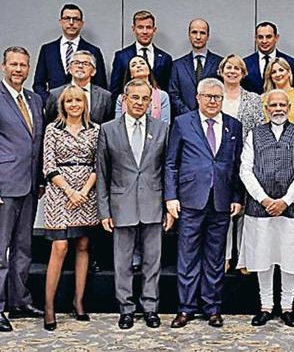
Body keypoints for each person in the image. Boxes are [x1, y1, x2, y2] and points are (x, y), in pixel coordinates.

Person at [166, 78, 243, 329]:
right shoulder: (182, 123)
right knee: (187, 256)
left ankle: (212, 307)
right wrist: (170, 196)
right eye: (208, 96)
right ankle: (186, 308)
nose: (212, 101)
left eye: (217, 97)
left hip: (221, 201)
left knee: (215, 256)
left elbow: (237, 165)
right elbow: (171, 163)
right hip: (190, 200)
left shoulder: (234, 126)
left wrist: (236, 197)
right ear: (197, 98)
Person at [96, 79, 172, 329]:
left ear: (151, 102)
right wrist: (104, 210)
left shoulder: (162, 129)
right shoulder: (108, 129)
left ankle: (150, 307)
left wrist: (168, 205)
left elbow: (168, 170)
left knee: (153, 260)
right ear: (124, 99)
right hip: (121, 204)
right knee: (122, 261)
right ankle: (126, 308)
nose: (139, 102)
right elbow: (102, 172)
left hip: (153, 203)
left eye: (144, 98)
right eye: (135, 97)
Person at [238, 89, 294, 328]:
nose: (278, 109)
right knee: (263, 257)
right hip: (260, 209)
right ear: (266, 108)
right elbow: (245, 170)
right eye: (274, 105)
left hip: (292, 209)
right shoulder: (254, 134)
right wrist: (264, 199)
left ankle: (288, 307)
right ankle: (266, 306)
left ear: (289, 108)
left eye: (283, 105)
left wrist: (286, 200)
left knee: (290, 258)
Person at [42, 85, 100, 331]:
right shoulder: (52, 130)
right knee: (60, 246)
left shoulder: (96, 130)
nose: (74, 104)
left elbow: (99, 164)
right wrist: (69, 191)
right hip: (60, 192)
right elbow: (48, 164)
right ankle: (49, 307)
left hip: (87, 191)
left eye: (78, 100)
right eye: (69, 101)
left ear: (85, 103)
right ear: (62, 105)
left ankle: (78, 301)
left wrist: (84, 192)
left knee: (83, 245)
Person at [0, 46, 45, 332]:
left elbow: (35, 144)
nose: (18, 70)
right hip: (4, 185)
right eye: (13, 64)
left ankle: (19, 300)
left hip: (29, 185)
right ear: (3, 66)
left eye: (23, 65)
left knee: (23, 247)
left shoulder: (34, 98)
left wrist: (39, 179)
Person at [217, 54, 265, 271]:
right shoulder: (214, 96)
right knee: (225, 208)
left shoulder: (254, 99)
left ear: (243, 73)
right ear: (221, 70)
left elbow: (259, 128)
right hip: (220, 159)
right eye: (228, 67)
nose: (232, 71)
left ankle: (243, 258)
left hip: (247, 158)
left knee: (245, 210)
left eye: (237, 68)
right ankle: (225, 256)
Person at [33, 3, 107, 102]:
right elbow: (38, 84)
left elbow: (100, 85)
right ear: (61, 21)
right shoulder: (47, 50)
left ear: (81, 23)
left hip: (85, 109)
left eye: (76, 19)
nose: (71, 22)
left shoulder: (93, 51)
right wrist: (51, 103)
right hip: (54, 112)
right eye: (67, 18)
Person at [110, 10, 173, 101]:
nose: (145, 32)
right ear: (133, 29)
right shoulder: (121, 56)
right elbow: (115, 90)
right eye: (140, 27)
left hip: (158, 109)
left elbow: (168, 89)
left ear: (154, 30)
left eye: (148, 27)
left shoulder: (165, 58)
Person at [169, 18, 223, 117]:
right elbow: (173, 94)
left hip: (212, 118)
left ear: (208, 36)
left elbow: (223, 92)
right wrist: (189, 115)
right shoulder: (177, 65)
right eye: (194, 32)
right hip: (185, 119)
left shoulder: (220, 63)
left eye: (202, 33)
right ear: (189, 35)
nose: (198, 37)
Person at [45, 50, 113, 125]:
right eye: (76, 63)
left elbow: (108, 126)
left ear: (93, 71)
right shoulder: (55, 94)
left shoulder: (105, 96)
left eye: (85, 64)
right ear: (70, 69)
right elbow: (49, 121)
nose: (80, 66)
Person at [243, 21, 294, 94]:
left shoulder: (290, 62)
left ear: (276, 38)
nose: (264, 41)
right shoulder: (245, 63)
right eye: (260, 37)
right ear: (256, 39)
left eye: (268, 37)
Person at [115, 55, 170, 124]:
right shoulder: (122, 98)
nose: (138, 66)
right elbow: (117, 125)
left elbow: (164, 126)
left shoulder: (162, 96)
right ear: (130, 74)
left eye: (142, 63)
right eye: (133, 65)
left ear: (149, 70)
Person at [263, 57, 294, 129]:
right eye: (273, 72)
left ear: (289, 73)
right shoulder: (263, 100)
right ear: (270, 76)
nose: (278, 74)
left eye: (281, 70)